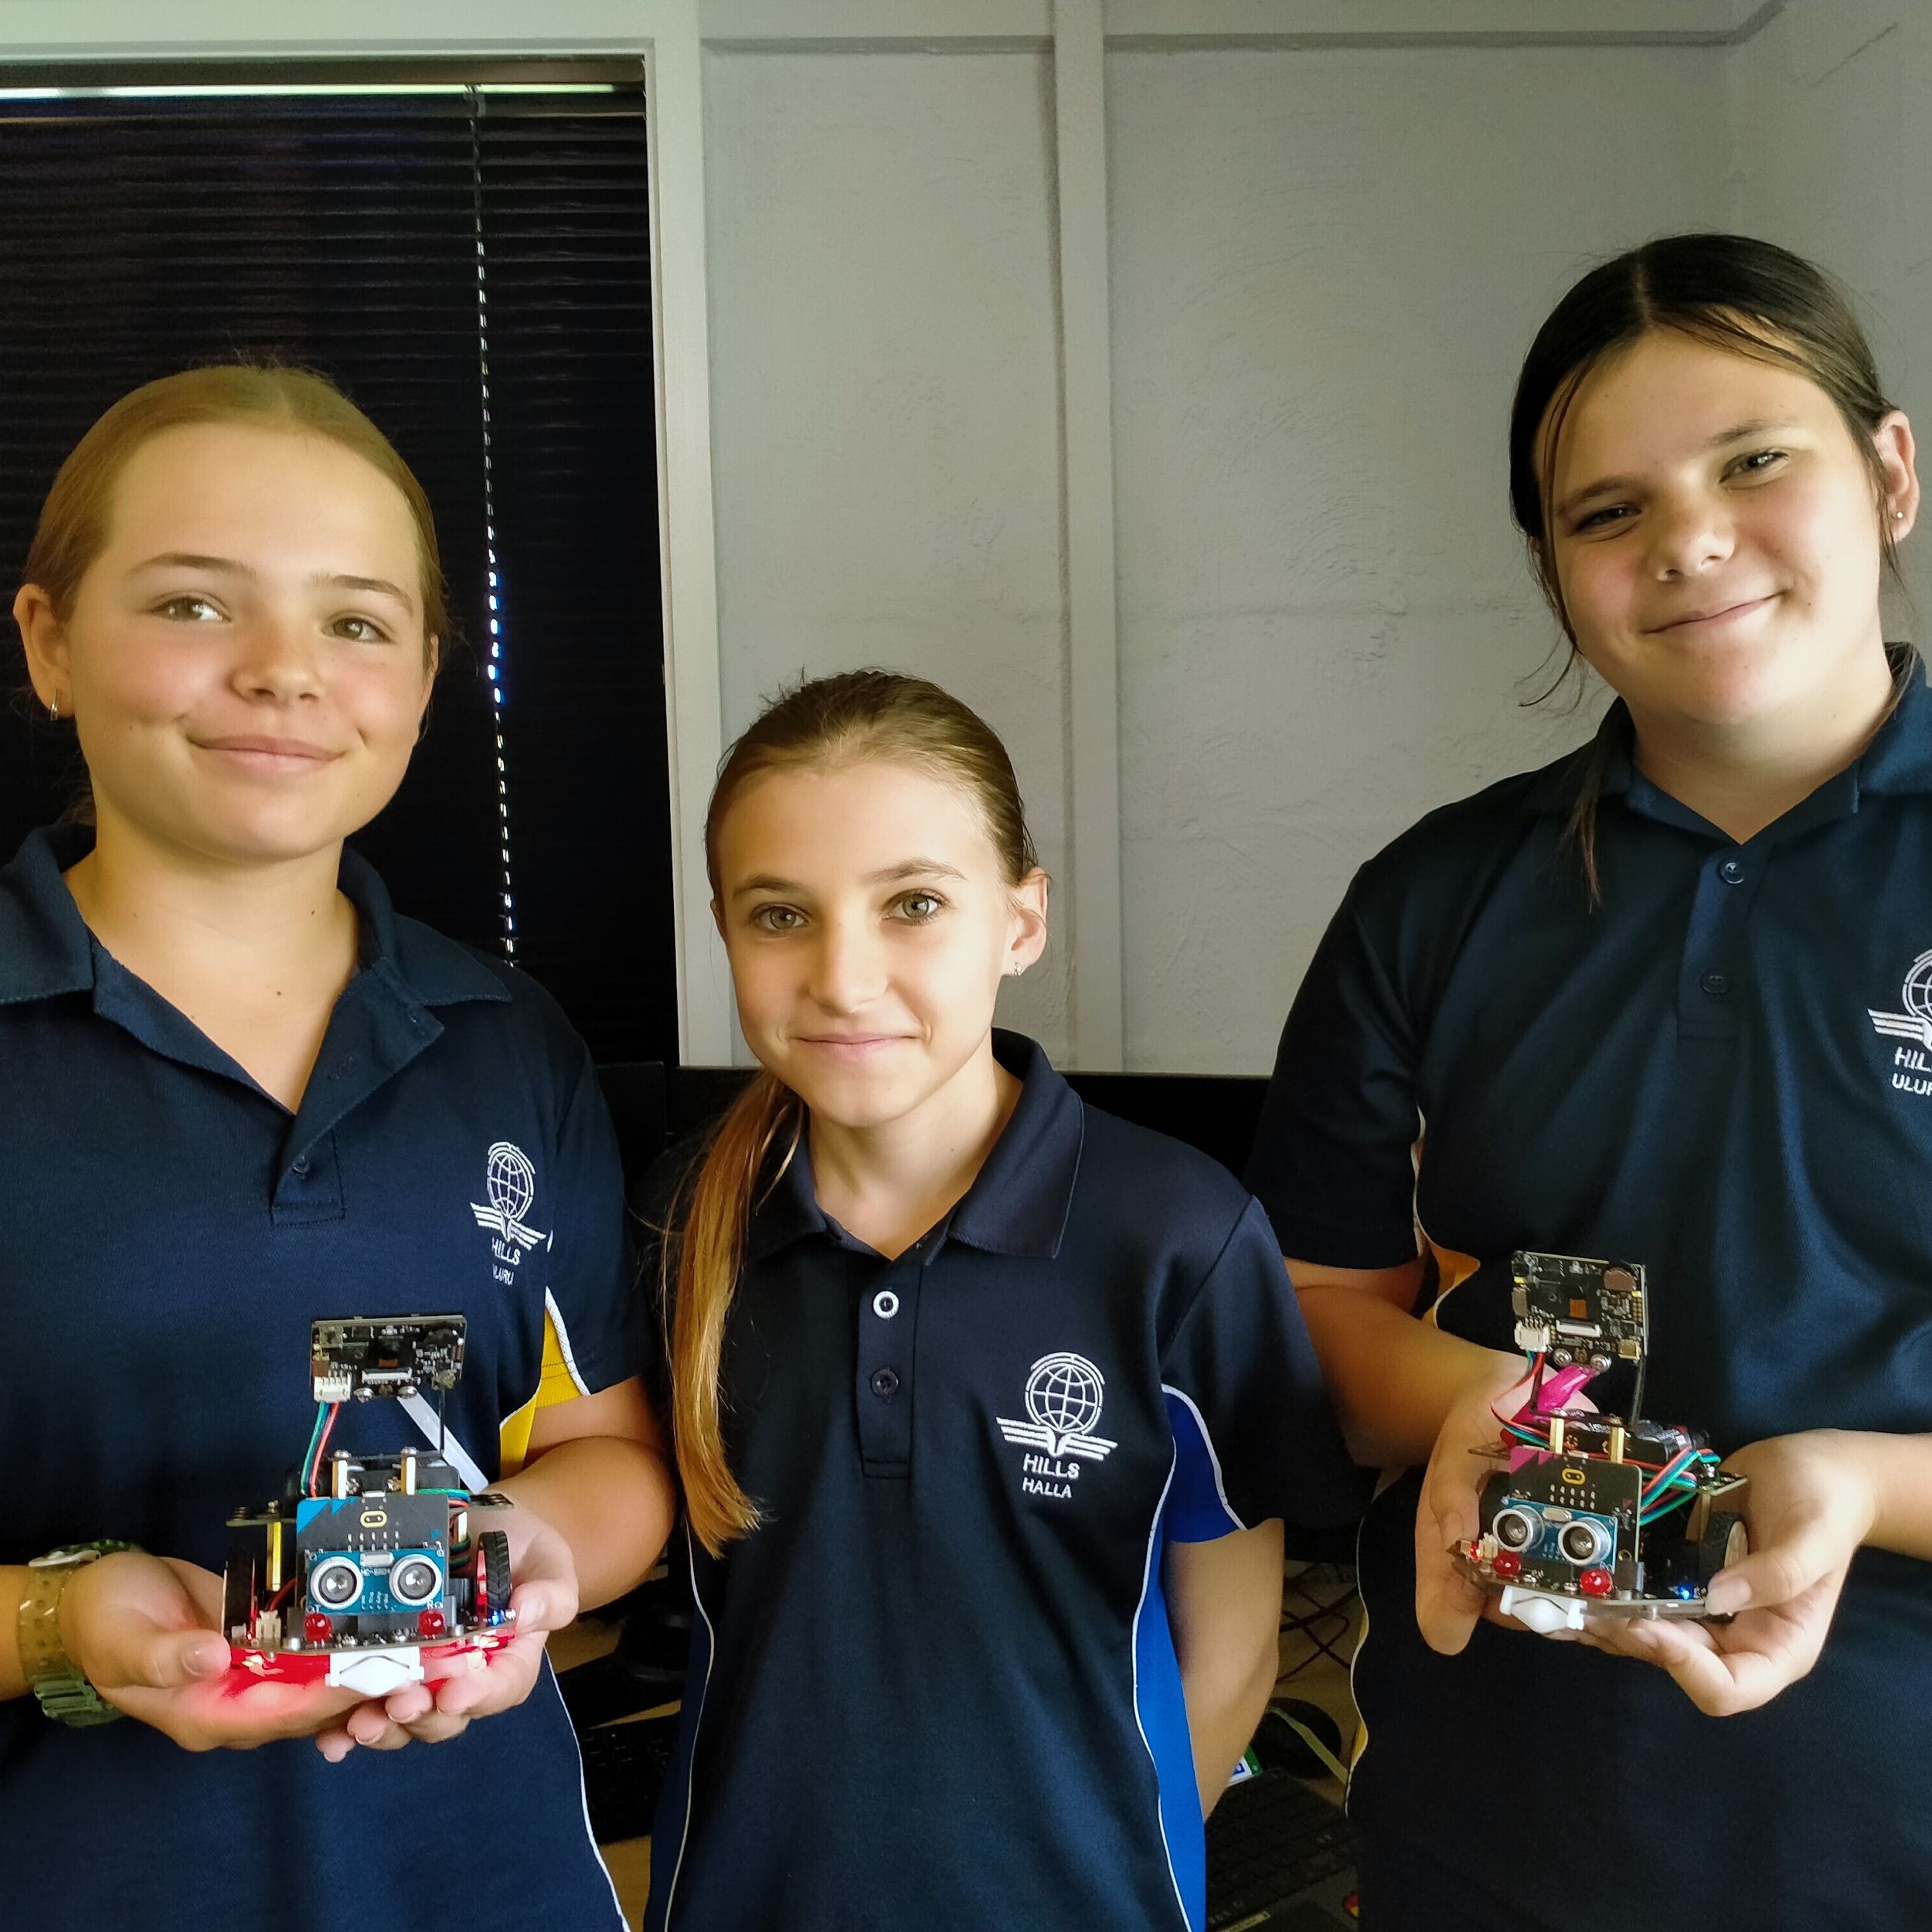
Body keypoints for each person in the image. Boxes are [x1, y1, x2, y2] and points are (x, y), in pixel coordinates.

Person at [1247, 232, 1932, 1930]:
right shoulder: (1431, 899)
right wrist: (1469, 1404)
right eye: (1605, 510)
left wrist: (1861, 1485)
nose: (1687, 540)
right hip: (1502, 1823)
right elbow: (1318, 1311)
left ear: (1888, 472)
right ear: (1555, 571)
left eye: (1752, 461)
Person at [0, 366, 675, 1930]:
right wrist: (58, 1624)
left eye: (357, 623)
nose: (285, 674)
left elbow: (611, 1458)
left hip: (487, 1885)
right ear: (49, 642)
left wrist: (523, 1562)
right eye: (193, 603)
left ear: (427, 676)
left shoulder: (507, 1040)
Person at [641, 668, 1361, 1932]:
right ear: (724, 929)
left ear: (1022, 921)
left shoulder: (1176, 1235)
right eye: (781, 914)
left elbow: (1236, 1648)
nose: (844, 979)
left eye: (913, 904)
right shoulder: (676, 1226)